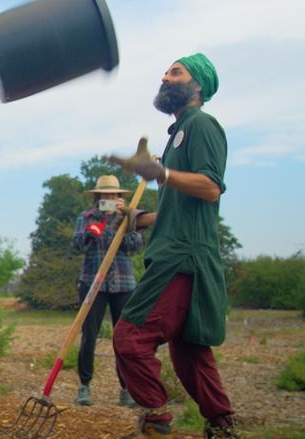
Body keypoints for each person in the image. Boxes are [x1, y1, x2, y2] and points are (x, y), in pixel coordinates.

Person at [109, 53, 239, 438]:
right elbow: (178, 208)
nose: (165, 77)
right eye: (165, 72)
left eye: (176, 72)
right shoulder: (178, 134)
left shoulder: (201, 124)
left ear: (197, 86)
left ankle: (156, 420)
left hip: (182, 258)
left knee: (130, 337)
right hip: (178, 251)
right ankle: (221, 425)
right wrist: (141, 218)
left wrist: (162, 172)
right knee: (189, 351)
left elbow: (210, 188)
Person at [72, 175, 143, 407]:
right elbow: (77, 246)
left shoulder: (129, 216)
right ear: (98, 196)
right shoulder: (85, 217)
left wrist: (125, 223)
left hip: (123, 283)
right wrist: (91, 233)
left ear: (119, 196)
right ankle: (84, 386)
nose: (110, 197)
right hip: (92, 282)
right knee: (89, 335)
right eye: (105, 194)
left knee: (124, 338)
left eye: (114, 194)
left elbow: (135, 246)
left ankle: (126, 389)